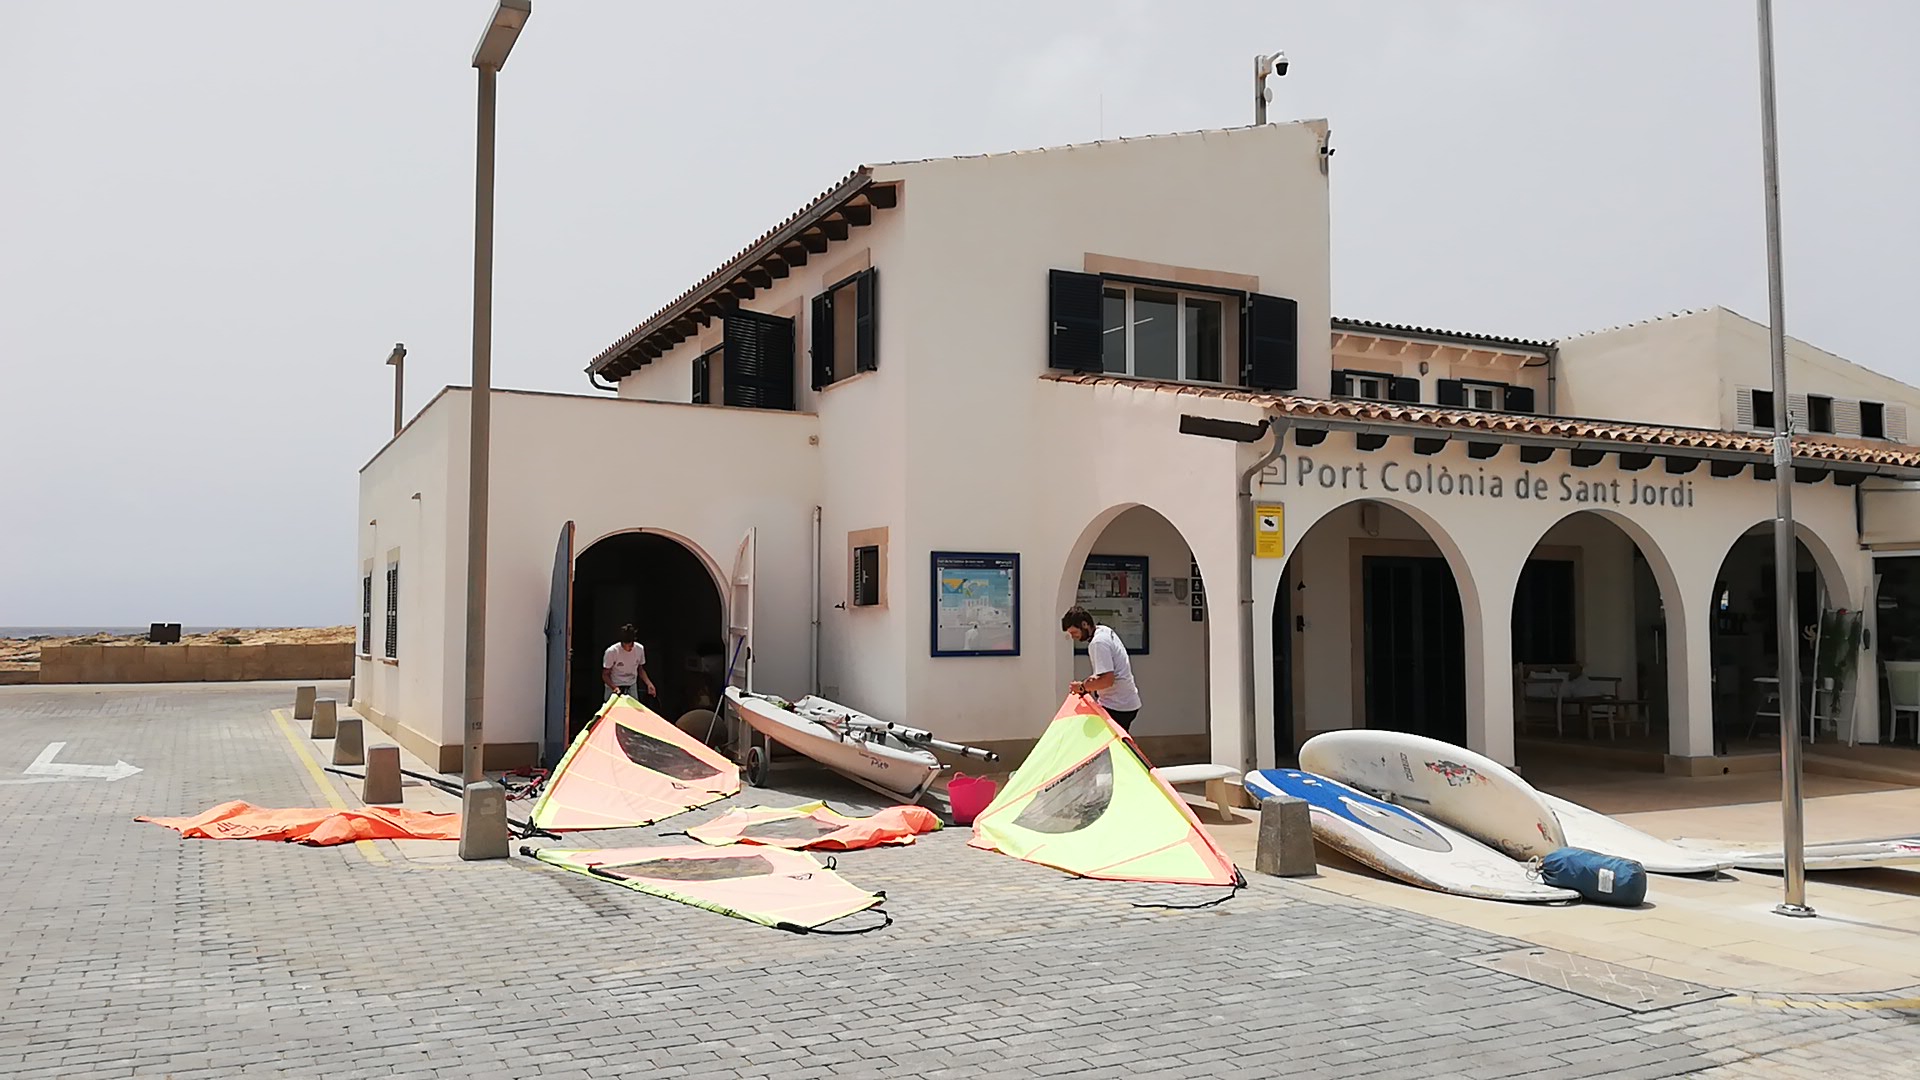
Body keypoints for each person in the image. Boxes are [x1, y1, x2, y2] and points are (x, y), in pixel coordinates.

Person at [1061, 606, 1141, 730]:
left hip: (1116, 705)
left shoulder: (1098, 643)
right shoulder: (1104, 631)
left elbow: (1107, 680)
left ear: (1084, 624)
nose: (1073, 637)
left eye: (1074, 632)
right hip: (1127, 702)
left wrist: (1082, 687)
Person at [602, 624, 656, 703]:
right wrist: (614, 688)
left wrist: (649, 683)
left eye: (630, 645)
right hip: (614, 685)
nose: (628, 648)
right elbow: (605, 674)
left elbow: (640, 669)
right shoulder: (612, 651)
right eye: (625, 646)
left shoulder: (639, 649)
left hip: (631, 685)